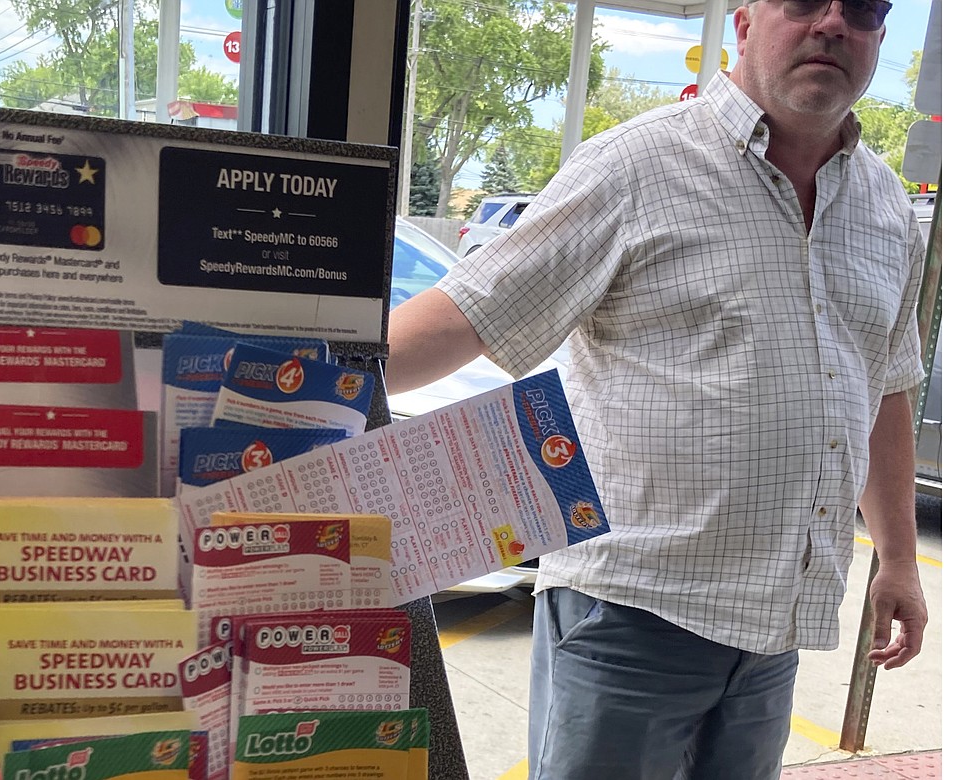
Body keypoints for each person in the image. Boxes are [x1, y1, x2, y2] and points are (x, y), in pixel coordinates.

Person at [385, 0, 929, 777]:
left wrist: (901, 563)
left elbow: (886, 390)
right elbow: (469, 314)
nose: (834, 23)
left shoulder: (885, 208)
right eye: (804, 1)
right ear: (744, 24)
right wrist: (288, 386)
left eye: (865, 8)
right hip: (629, 618)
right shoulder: (636, 167)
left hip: (776, 632)